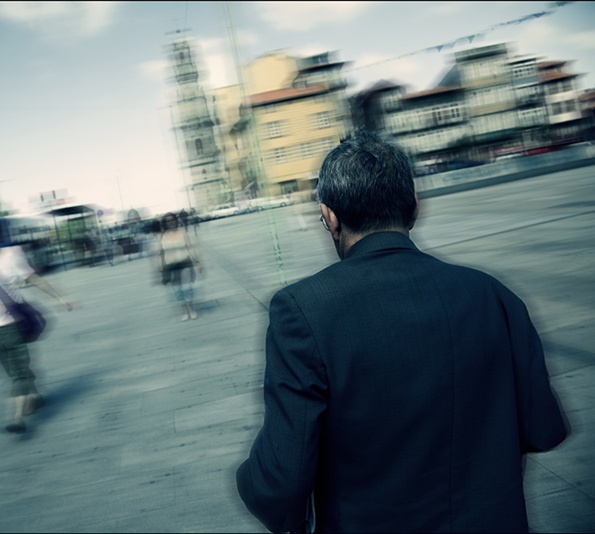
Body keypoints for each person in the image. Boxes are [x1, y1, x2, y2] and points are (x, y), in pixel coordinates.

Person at [236, 130, 568, 533]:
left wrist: (250, 480)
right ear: (412, 209)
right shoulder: (491, 294)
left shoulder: (303, 310)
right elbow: (544, 428)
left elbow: (280, 480)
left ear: (329, 217)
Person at [0, 227, 73, 434]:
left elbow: (34, 279)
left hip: (14, 323)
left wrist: (59, 297)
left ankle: (16, 418)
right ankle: (35, 397)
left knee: (18, 372)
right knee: (12, 372)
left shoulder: (10, 255)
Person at [158, 212, 202, 321]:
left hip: (185, 263)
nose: (170, 222)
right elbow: (161, 253)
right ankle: (185, 312)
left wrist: (197, 262)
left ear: (175, 221)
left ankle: (191, 310)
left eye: (172, 220)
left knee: (187, 288)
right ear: (165, 223)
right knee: (177, 290)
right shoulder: (161, 236)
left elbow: (190, 247)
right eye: (167, 221)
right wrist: (160, 266)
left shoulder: (182, 232)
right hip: (170, 266)